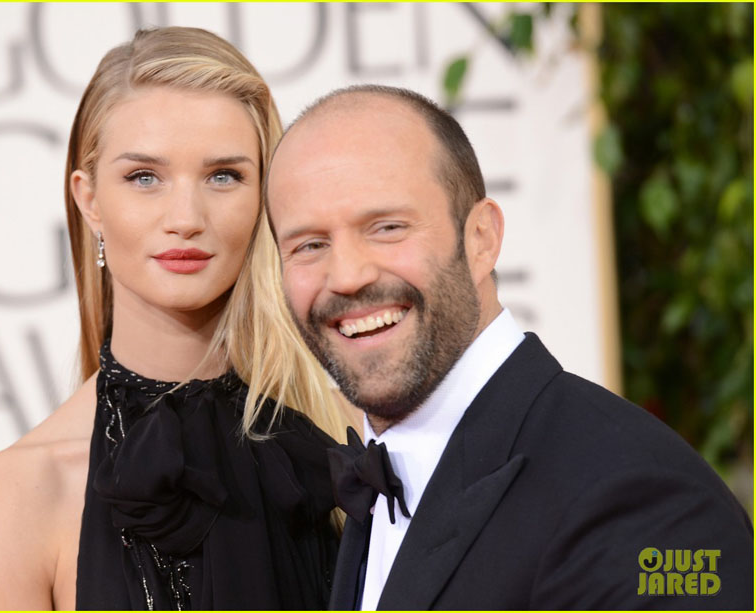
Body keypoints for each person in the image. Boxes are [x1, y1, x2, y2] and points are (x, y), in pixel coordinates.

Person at [265, 84, 754, 610]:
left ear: (481, 239)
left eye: (387, 227)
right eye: (310, 245)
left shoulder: (641, 499)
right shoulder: (356, 501)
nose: (347, 276)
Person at [0, 27, 350, 611]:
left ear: (267, 193)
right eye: (145, 177)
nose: (185, 217)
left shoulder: (344, 440)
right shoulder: (18, 498)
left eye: (224, 176)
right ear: (89, 200)